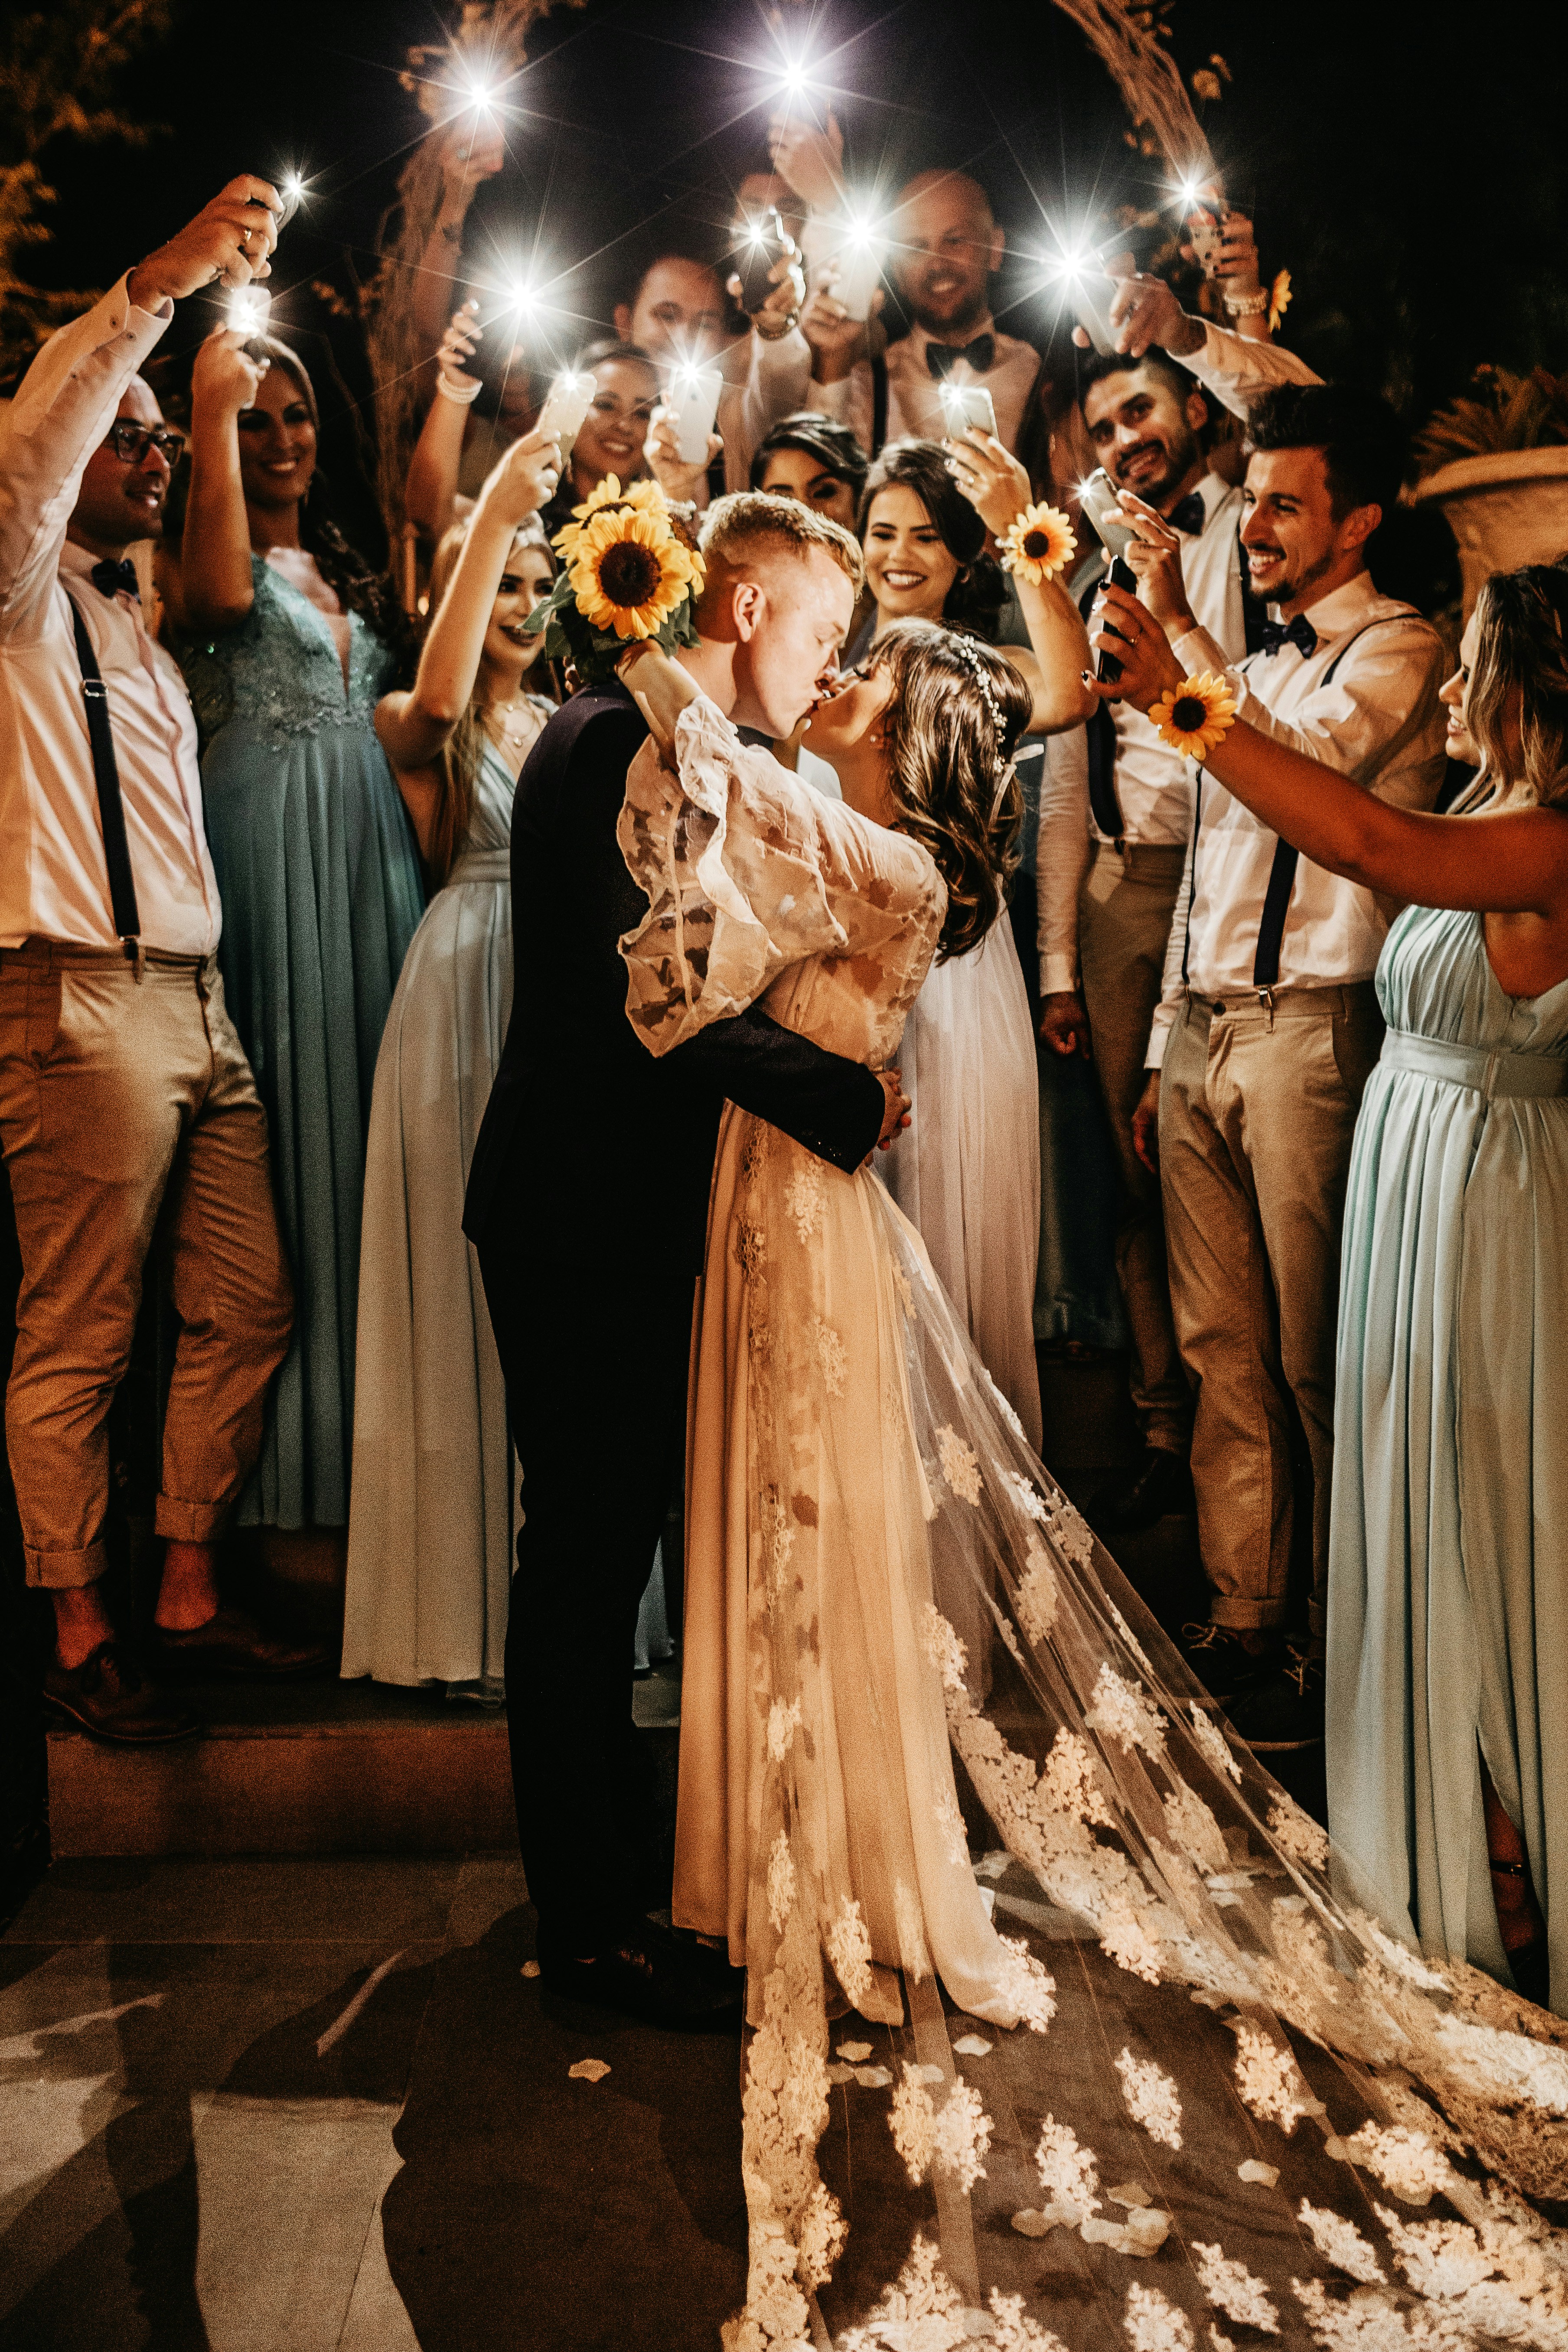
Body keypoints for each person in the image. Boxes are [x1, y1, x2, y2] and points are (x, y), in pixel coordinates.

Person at [612, 632, 1568, 2352]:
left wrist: (660, 631)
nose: (831, 680)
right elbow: (697, 911)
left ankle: (866, 1871)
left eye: (864, 677)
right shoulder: (846, 835)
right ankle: (777, 1860)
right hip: (774, 1201)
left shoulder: (888, 858)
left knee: (829, 1538)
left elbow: (706, 814)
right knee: (784, 1533)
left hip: (819, 1221)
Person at [462, 492, 910, 2022]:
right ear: (740, 608)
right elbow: (634, 1003)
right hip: (578, 1212)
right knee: (583, 1558)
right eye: (818, 627)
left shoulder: (697, 755)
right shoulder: (606, 742)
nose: (826, 663)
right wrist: (837, 1092)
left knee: (609, 1549)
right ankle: (583, 1921)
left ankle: (610, 1876)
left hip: (634, 1214)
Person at [1105, 562, 1568, 2010]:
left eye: (1463, 669)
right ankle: (1455, 1843)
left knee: (1487, 1527)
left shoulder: (1549, 843)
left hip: (1491, 1217)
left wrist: (1179, 703)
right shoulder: (1487, 822)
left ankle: (1508, 1856)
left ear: (1524, 691)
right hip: (1414, 1194)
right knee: (1412, 1497)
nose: (1441, 693)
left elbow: (1359, 836)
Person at [0, 179, 319, 1745]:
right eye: (131, 439)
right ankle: (74, 1620)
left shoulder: (128, 612)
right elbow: (34, 443)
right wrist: (160, 288)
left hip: (197, 1002)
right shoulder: (10, 592)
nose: (156, 453)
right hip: (75, 992)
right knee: (81, 1325)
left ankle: (185, 1584)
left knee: (249, 1298)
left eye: (158, 435)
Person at [1088, 382, 1448, 1751]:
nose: (1255, 526)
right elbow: (1206, 839)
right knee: (1216, 1345)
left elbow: (1304, 764)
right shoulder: (1247, 658)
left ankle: (1344, 1638)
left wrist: (1179, 634)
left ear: (1353, 519)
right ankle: (1245, 1615)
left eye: (1284, 503)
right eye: (1254, 500)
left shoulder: (1394, 649)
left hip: (1314, 1028)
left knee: (1313, 1356)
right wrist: (1163, 1033)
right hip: (1201, 1026)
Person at [1036, 275, 1320, 1538]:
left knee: (1245, 1210)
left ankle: (1279, 1512)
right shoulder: (1091, 553)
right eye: (1103, 426)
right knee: (1136, 1173)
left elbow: (1295, 401)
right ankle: (1165, 1422)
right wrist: (1055, 949)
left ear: (1193, 414)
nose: (1124, 439)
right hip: (1126, 887)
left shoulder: (1239, 523)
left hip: (1242, 863)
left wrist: (1184, 332)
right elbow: (1060, 760)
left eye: (1141, 407)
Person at [161, 328, 427, 1541]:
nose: (280, 438)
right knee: (286, 1178)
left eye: (294, 414)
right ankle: (284, 1507)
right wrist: (209, 406)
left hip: (368, 864)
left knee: (373, 1151)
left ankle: (384, 1492)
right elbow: (219, 597)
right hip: (265, 865)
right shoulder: (194, 563)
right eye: (254, 418)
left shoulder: (351, 568)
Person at [342, 429, 561, 1696]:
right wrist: (494, 514)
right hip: (458, 977)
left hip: (556, 998)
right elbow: (431, 708)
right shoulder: (416, 716)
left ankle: (542, 1610)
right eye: (506, 583)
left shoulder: (572, 717)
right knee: (453, 1278)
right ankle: (446, 1620)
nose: (524, 606)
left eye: (541, 583)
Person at [805, 169, 1045, 463]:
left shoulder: (1039, 373)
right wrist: (833, 358)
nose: (936, 263)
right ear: (896, 271)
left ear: (995, 249)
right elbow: (820, 480)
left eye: (955, 240)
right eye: (917, 247)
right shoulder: (869, 384)